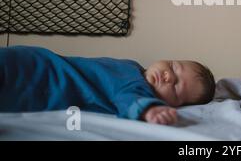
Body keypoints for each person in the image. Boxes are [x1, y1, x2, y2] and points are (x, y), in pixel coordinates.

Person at [0, 45, 215, 125]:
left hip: (39, 79)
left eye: (176, 87)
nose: (168, 76)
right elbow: (130, 99)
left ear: (177, 105)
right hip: (37, 72)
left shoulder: (136, 81)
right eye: (172, 66)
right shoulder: (133, 75)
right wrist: (150, 109)